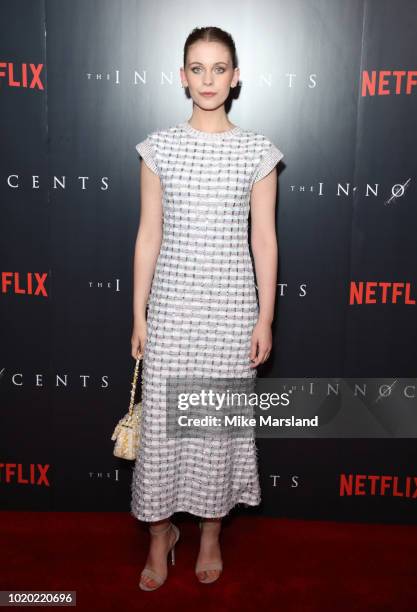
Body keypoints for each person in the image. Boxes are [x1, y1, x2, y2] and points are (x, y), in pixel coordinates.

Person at [130, 26, 284, 591]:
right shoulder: (158, 148)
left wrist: (265, 316)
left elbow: (264, 240)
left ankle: (212, 533)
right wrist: (139, 314)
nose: (209, 79)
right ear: (182, 75)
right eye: (198, 68)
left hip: (230, 312)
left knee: (217, 427)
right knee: (166, 431)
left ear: (236, 76)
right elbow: (148, 235)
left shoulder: (258, 152)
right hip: (171, 307)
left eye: (220, 68)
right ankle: (160, 535)